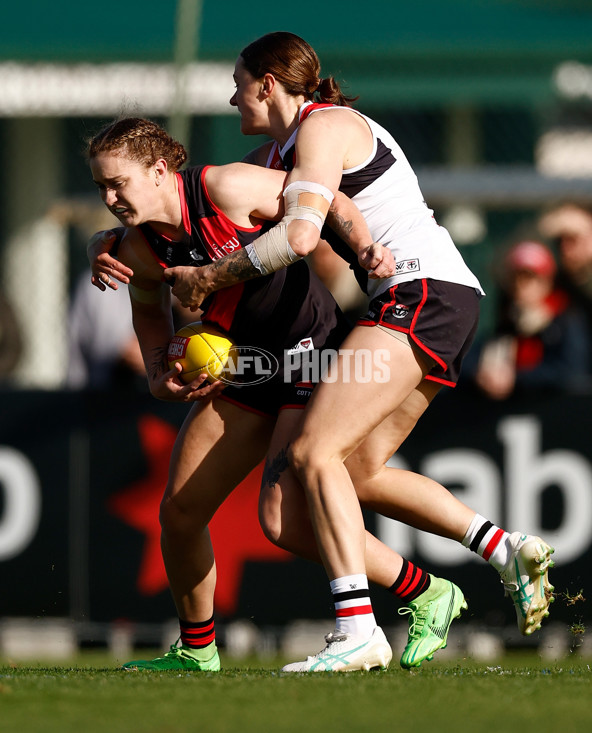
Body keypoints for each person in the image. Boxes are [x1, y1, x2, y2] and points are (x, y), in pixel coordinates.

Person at [87, 34, 555, 671]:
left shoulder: (323, 127)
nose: (231, 95)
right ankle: (497, 553)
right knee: (331, 485)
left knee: (314, 453)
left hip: (410, 297)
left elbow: (306, 231)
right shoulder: (270, 157)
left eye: (238, 80)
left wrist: (215, 278)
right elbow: (146, 271)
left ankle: (359, 632)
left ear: (269, 83)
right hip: (364, 318)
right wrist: (104, 245)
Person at [474, 239, 592, 400]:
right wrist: (485, 375)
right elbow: (470, 359)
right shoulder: (506, 321)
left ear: (547, 282)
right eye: (516, 278)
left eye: (530, 278)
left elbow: (573, 373)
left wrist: (517, 378)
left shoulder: (566, 320)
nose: (521, 286)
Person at [539, 201, 592, 379]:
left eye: (573, 238)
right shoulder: (555, 284)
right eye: (560, 240)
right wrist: (545, 226)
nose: (565, 248)